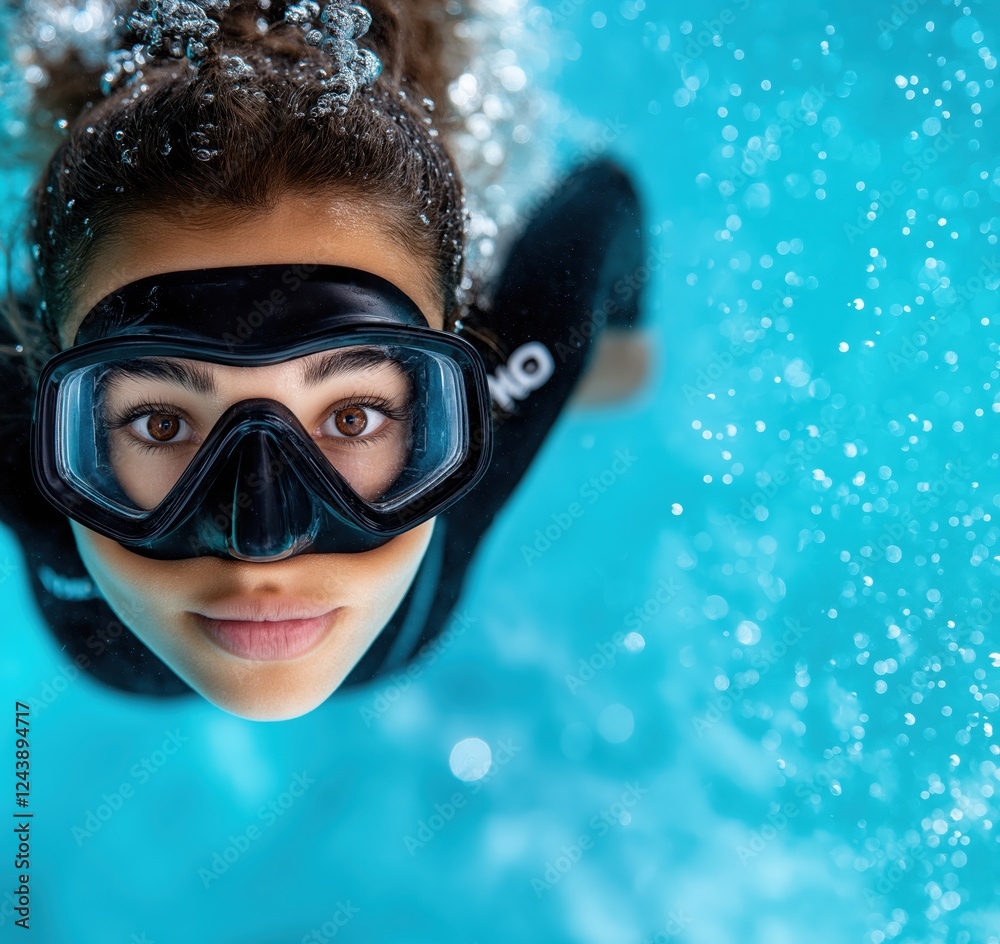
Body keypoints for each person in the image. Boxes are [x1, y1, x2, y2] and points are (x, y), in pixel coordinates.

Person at [0, 0, 650, 720]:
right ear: (38, 392)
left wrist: (617, 361)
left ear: (451, 409)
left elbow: (601, 205)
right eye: (160, 423)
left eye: (351, 415)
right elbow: (601, 197)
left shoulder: (521, 367)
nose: (263, 541)